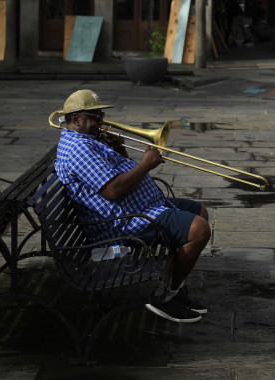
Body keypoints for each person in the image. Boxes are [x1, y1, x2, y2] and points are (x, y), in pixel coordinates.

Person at [50, 89, 211, 324]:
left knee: (199, 211)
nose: (101, 122)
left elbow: (115, 174)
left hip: (138, 207)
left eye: (100, 115)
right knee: (199, 230)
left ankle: (174, 284)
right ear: (76, 119)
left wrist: (119, 151)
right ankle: (166, 297)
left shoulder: (88, 140)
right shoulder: (79, 149)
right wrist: (146, 165)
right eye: (94, 117)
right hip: (123, 221)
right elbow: (113, 191)